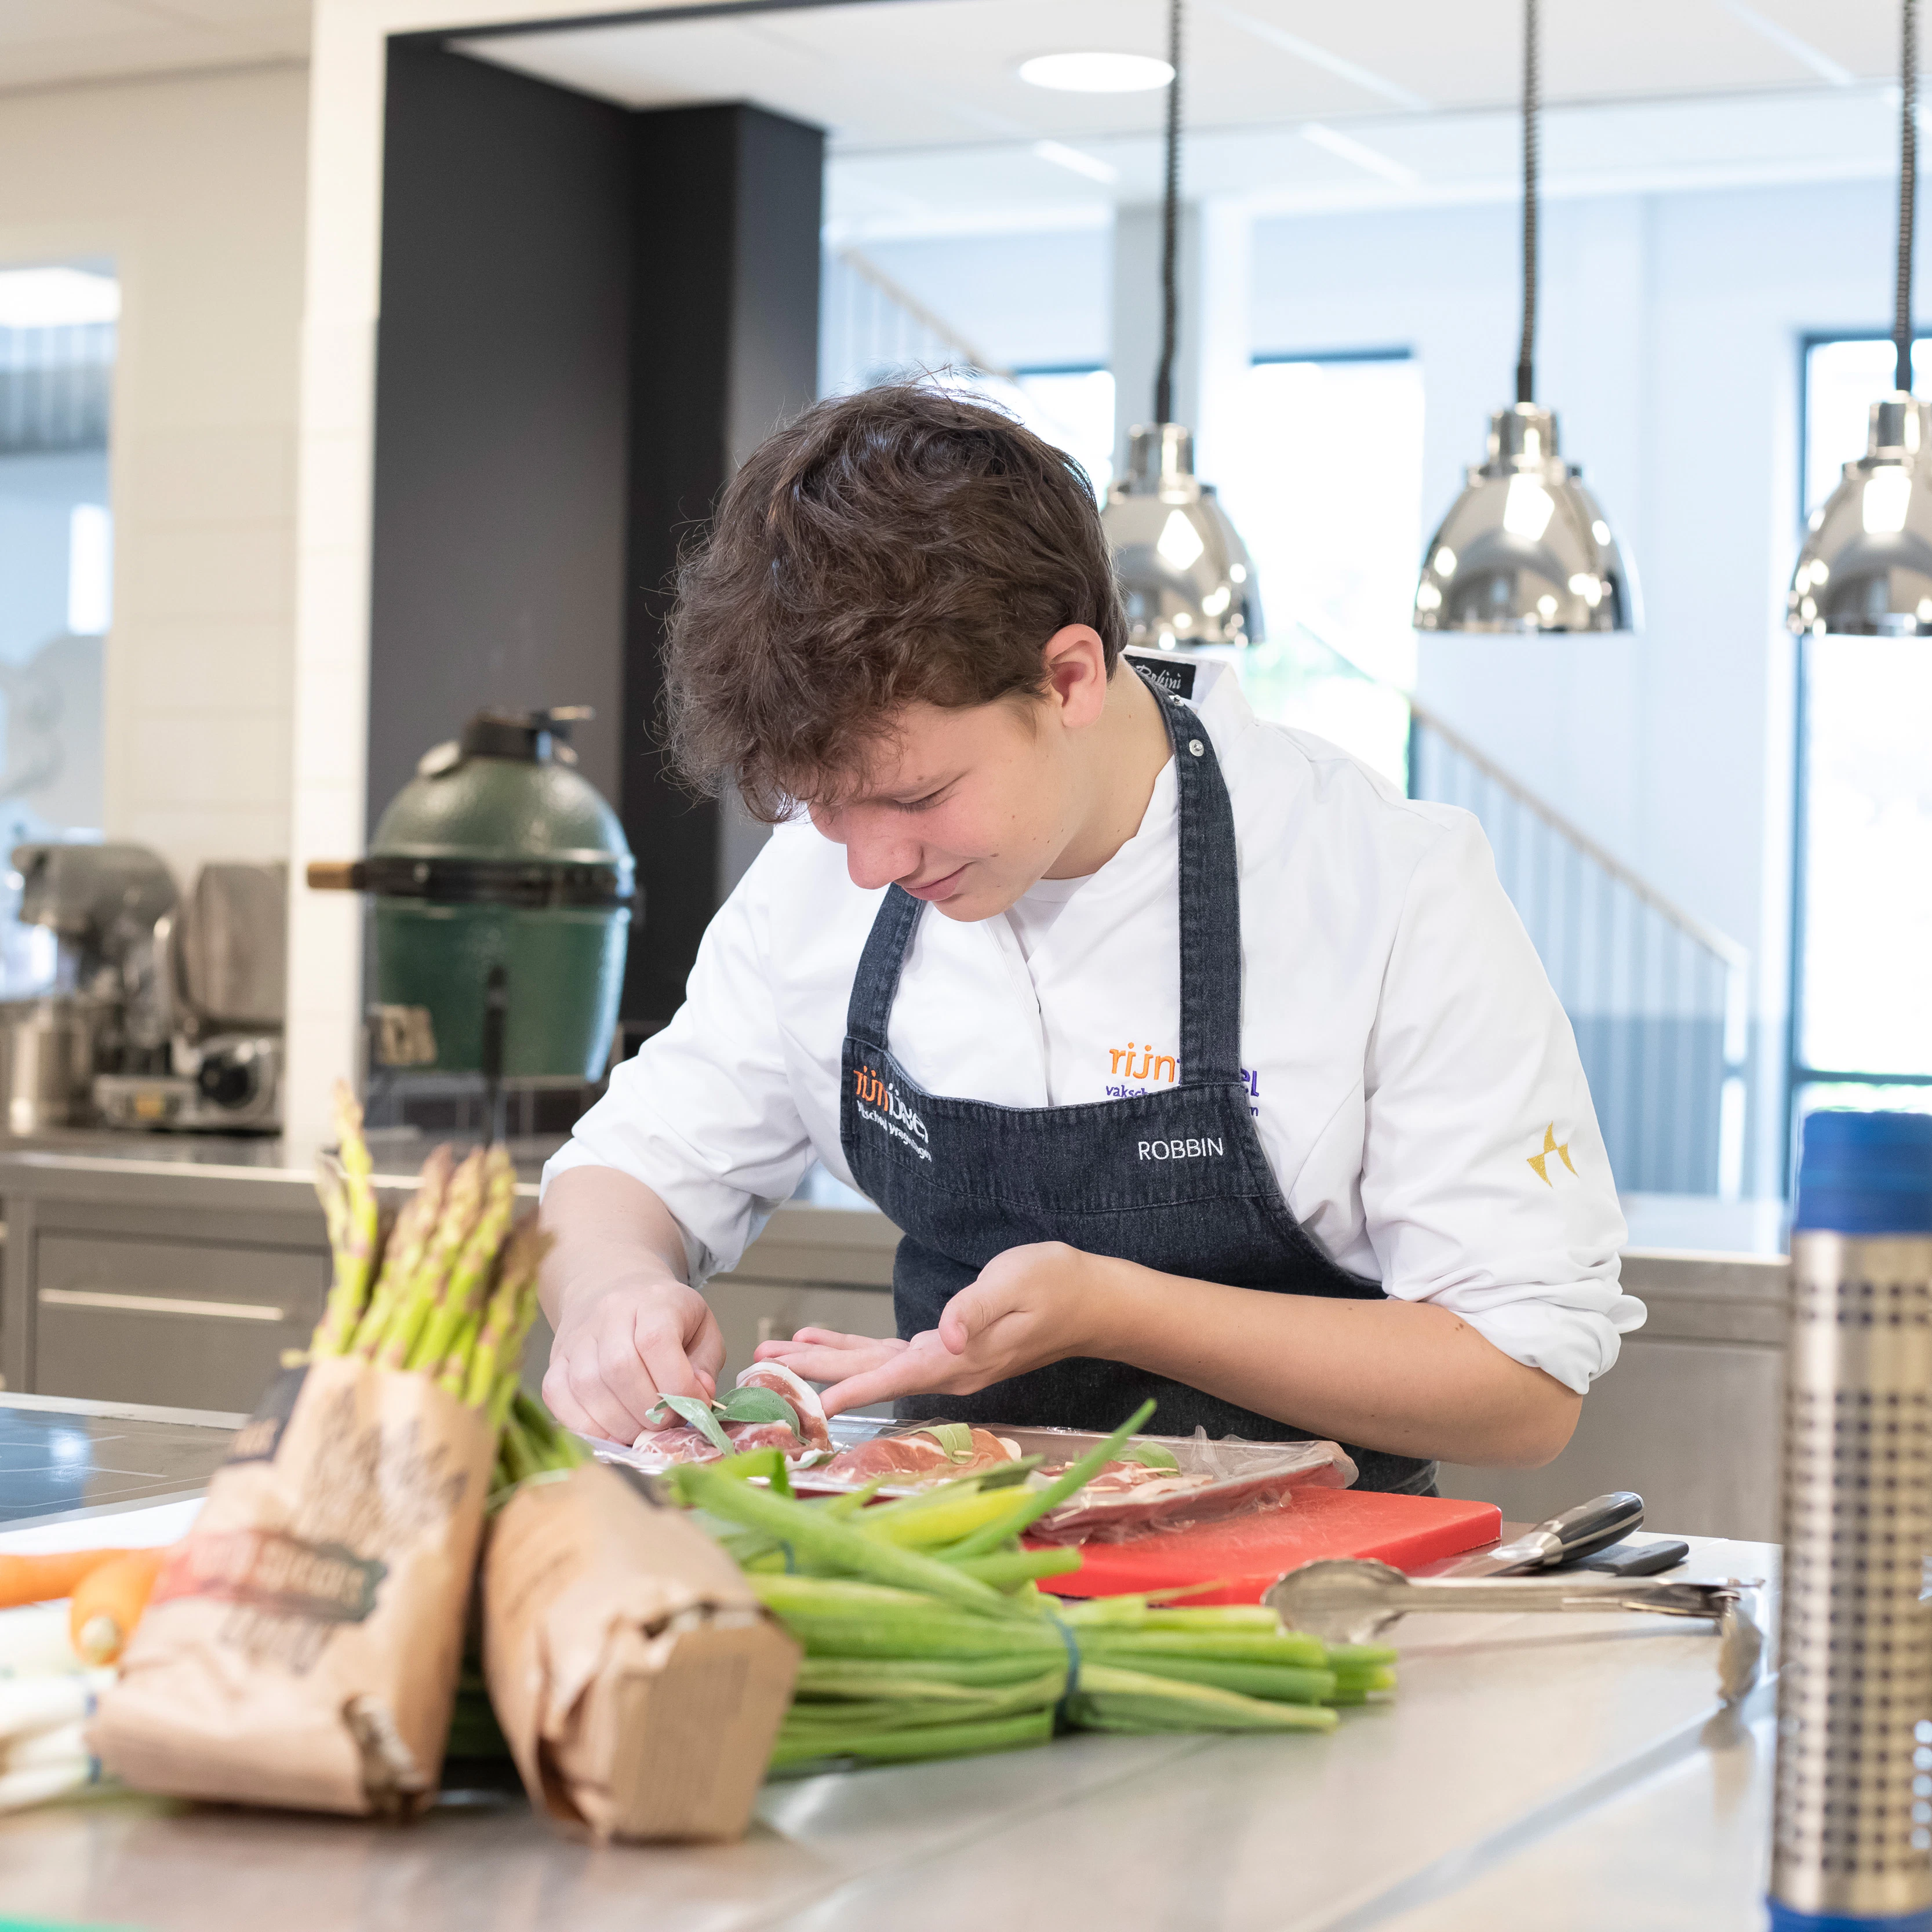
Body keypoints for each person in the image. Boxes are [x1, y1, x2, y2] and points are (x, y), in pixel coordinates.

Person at [537, 384, 1641, 1493]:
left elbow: (1521, 1383)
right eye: (822, 808)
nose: (869, 864)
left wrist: (1119, 1312)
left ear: (1067, 677)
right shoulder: (824, 880)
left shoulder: (1381, 884)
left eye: (916, 797)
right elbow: (632, 1171)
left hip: (1308, 1611)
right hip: (956, 1590)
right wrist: (610, 1297)